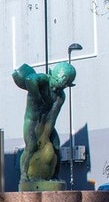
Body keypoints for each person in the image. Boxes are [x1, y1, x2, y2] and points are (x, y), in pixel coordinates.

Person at [12, 61, 76, 189]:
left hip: (46, 123)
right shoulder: (43, 80)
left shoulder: (60, 96)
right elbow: (30, 79)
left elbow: (52, 118)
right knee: (31, 147)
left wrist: (45, 136)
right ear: (51, 75)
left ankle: (54, 175)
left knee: (56, 146)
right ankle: (24, 176)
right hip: (32, 122)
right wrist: (38, 97)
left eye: (61, 87)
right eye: (55, 84)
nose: (55, 89)